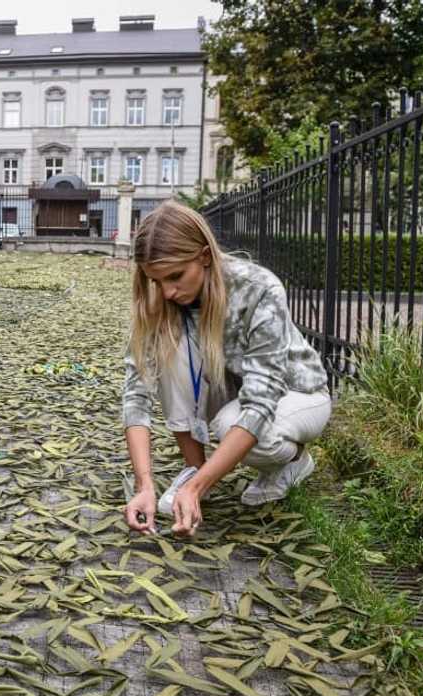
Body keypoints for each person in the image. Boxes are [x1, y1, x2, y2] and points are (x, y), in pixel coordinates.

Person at [121, 200, 331, 538]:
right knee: (167, 348)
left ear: (204, 256)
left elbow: (261, 401)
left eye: (175, 276)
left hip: (297, 394)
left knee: (230, 422)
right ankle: (194, 468)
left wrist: (198, 491)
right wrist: (144, 485)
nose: (168, 291)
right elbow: (135, 395)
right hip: (231, 390)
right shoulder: (162, 302)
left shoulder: (257, 288)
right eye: (156, 281)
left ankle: (293, 463)